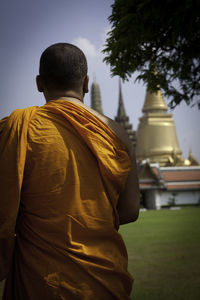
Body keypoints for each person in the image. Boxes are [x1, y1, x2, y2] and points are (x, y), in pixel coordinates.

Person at [0, 43, 140, 299]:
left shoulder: (18, 128)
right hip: (103, 281)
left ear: (39, 83)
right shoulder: (118, 134)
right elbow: (130, 211)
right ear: (86, 83)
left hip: (41, 282)